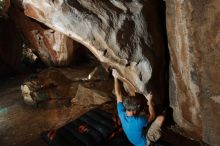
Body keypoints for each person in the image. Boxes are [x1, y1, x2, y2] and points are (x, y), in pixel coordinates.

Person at [112, 69, 165, 146]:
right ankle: (153, 136)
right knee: (161, 117)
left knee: (144, 117)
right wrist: (150, 102)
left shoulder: (121, 112)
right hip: (143, 143)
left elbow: (118, 94)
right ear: (135, 110)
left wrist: (115, 77)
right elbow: (152, 116)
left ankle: (145, 128)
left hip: (133, 139)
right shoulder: (138, 121)